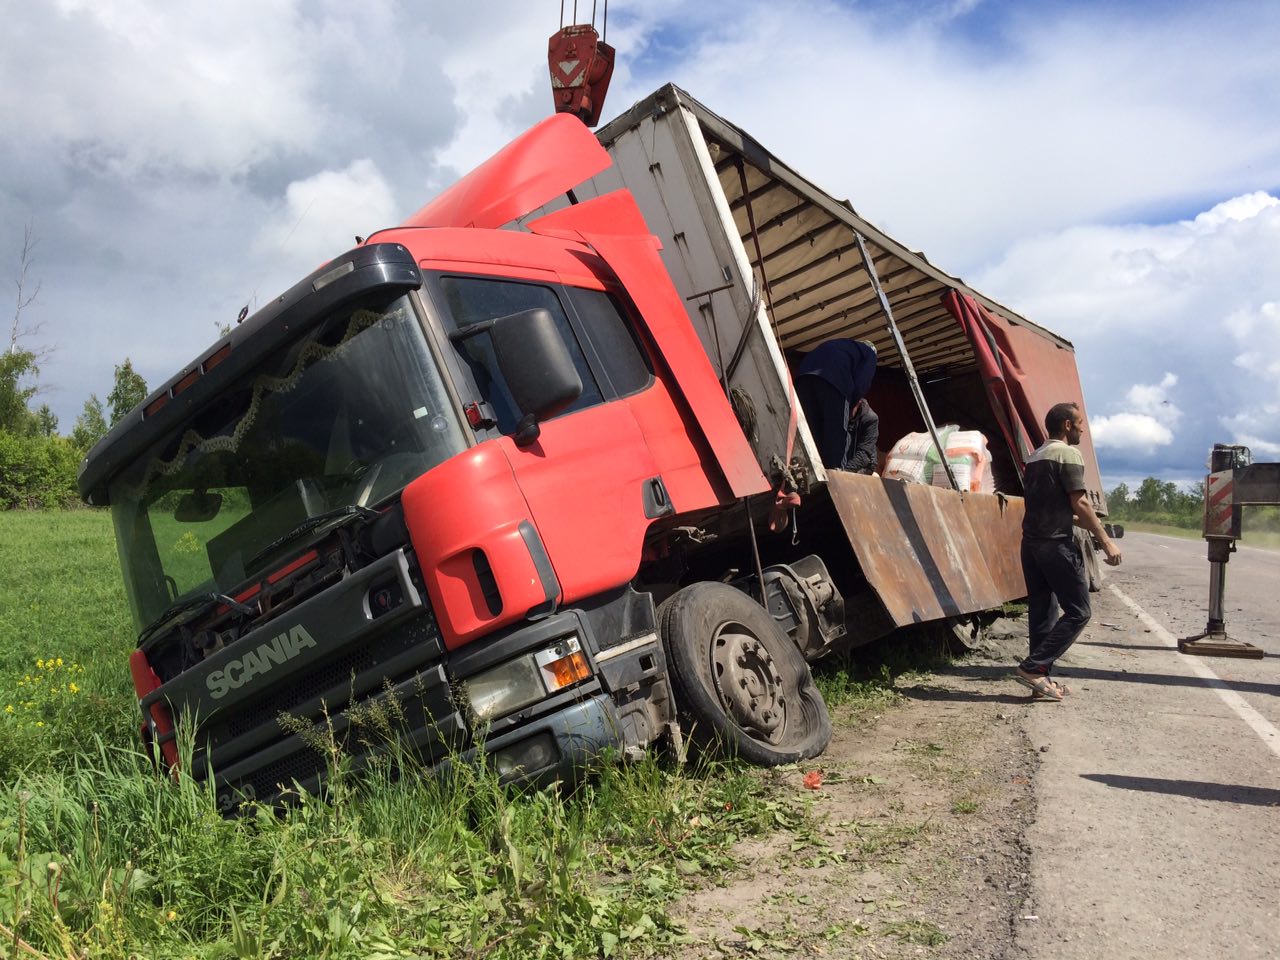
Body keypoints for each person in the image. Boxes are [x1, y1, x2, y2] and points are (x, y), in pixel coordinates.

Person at [1015, 402, 1121, 700]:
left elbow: (1053, 505)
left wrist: (1081, 520)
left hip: (1031, 544)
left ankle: (1039, 681)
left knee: (1043, 613)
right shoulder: (1067, 454)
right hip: (1055, 545)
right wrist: (1106, 540)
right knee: (1079, 611)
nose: (1083, 429)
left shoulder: (1035, 456)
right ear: (1066, 425)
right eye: (1079, 423)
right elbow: (1081, 503)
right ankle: (1033, 667)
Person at [795, 338, 877, 469]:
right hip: (834, 380)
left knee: (809, 430)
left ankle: (808, 468)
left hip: (803, 377)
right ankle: (835, 473)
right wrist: (850, 404)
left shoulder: (844, 346)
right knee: (836, 432)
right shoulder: (870, 354)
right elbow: (862, 383)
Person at [843, 398, 879, 474]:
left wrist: (843, 472)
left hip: (864, 465)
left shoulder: (870, 419)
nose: (846, 411)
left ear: (858, 403)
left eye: (849, 407)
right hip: (846, 459)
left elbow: (863, 456)